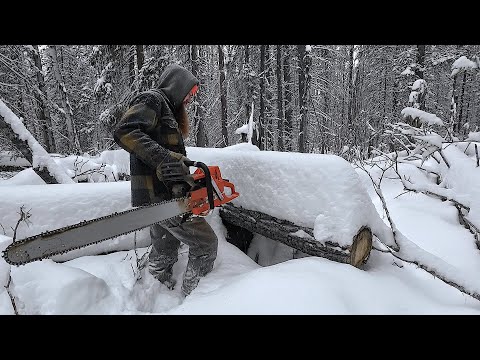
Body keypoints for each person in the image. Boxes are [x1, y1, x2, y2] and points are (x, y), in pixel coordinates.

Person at [113, 63, 218, 297]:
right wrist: (165, 159)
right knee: (205, 243)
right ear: (177, 86)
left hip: (160, 196)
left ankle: (156, 294)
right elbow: (124, 131)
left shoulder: (167, 109)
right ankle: (198, 301)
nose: (190, 99)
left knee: (166, 247)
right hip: (162, 198)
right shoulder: (152, 100)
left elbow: (167, 155)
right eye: (190, 93)